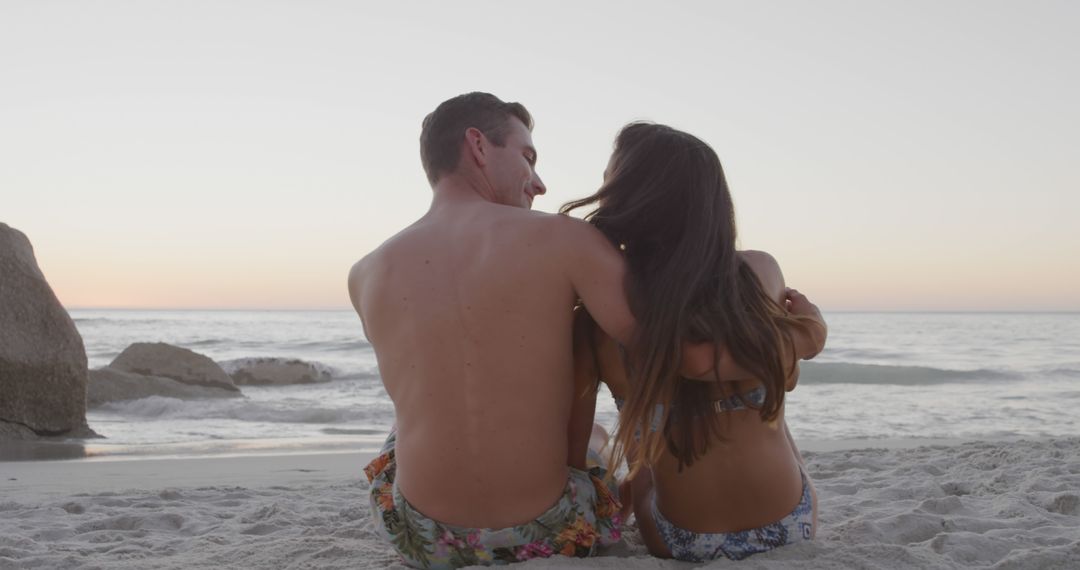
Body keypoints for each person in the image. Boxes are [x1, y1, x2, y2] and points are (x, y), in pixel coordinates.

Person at [347, 92, 638, 568]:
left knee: (408, 419)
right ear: (478, 146)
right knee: (598, 437)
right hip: (549, 532)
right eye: (528, 157)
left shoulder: (366, 272)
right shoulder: (564, 239)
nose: (539, 184)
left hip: (421, 537)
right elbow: (653, 343)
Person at [562, 122, 828, 562]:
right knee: (771, 418)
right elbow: (784, 375)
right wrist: (810, 328)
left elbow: (573, 448)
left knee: (631, 449)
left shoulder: (596, 318)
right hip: (790, 525)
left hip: (679, 538)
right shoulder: (759, 271)